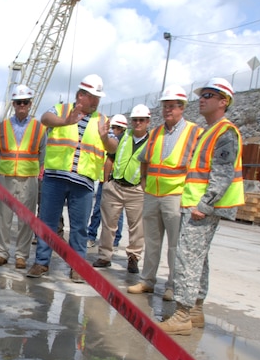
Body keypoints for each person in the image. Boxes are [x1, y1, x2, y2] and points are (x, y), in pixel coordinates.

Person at [160, 78, 244, 335]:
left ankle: (183, 314)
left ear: (223, 102)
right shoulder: (210, 130)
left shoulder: (224, 132)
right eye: (202, 95)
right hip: (197, 205)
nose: (202, 99)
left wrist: (204, 205)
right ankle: (195, 310)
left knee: (187, 257)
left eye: (209, 95)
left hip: (203, 208)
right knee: (199, 258)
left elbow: (223, 173)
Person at [26, 74, 117, 282]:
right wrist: (65, 121)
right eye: (93, 97)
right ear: (81, 95)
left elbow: (114, 147)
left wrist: (104, 138)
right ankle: (41, 262)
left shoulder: (102, 121)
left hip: (83, 182)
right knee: (47, 222)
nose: (96, 101)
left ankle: (77, 266)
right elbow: (45, 119)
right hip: (55, 177)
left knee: (79, 227)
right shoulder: (61, 110)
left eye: (98, 98)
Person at [127, 85, 201, 300]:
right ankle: (147, 281)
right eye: (165, 106)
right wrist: (143, 181)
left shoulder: (194, 132)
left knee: (175, 246)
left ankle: (172, 286)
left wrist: (191, 195)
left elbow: (199, 168)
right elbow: (145, 160)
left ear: (182, 107)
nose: (167, 110)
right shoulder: (157, 132)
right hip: (152, 195)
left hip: (176, 196)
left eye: (172, 106)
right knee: (152, 242)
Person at [0, 85, 47, 269]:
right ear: (13, 104)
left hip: (28, 178)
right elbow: (1, 152)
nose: (21, 105)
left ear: (31, 104)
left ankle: (21, 255)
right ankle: (2, 252)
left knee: (26, 219)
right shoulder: (2, 127)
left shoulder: (39, 128)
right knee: (3, 217)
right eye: (18, 102)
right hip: (6, 177)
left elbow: (42, 154)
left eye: (25, 102)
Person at [92, 104, 151, 273]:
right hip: (115, 186)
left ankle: (133, 257)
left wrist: (145, 186)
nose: (138, 123)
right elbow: (110, 158)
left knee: (136, 226)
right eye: (135, 120)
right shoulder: (123, 137)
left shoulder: (152, 141)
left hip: (136, 189)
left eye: (141, 120)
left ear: (147, 122)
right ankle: (105, 256)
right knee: (109, 224)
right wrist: (106, 181)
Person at [88, 115, 126, 248]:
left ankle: (115, 240)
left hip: (114, 180)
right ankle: (91, 235)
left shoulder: (122, 143)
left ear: (122, 129)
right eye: (113, 127)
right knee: (98, 210)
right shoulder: (107, 140)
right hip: (103, 180)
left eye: (116, 128)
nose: (114, 130)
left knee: (117, 214)